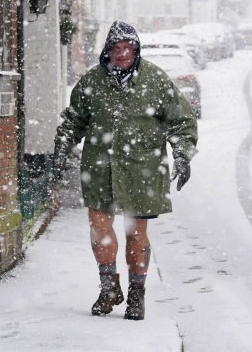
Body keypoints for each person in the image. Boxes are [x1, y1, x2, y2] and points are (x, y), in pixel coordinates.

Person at [53, 21, 198, 320]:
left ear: (136, 51)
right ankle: (109, 288)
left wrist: (182, 154)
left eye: (128, 49)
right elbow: (74, 120)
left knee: (136, 234)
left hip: (141, 169)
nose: (122, 55)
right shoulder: (92, 82)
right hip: (100, 167)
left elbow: (181, 121)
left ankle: (136, 295)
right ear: (107, 52)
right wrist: (62, 147)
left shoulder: (155, 80)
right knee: (100, 229)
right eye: (116, 49)